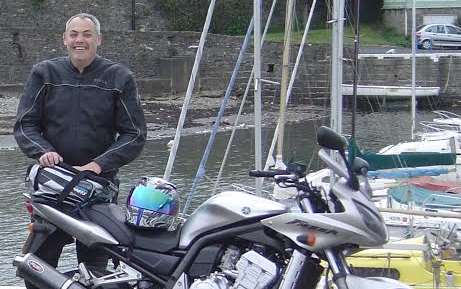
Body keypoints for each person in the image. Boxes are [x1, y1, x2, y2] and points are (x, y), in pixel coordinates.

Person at [14, 13, 147, 287]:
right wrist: (43, 151)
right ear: (64, 39)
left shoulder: (119, 77)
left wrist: (98, 164)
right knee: (37, 267)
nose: (80, 40)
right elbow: (25, 124)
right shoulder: (44, 73)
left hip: (98, 189)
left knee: (97, 271)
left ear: (98, 40)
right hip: (52, 188)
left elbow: (135, 134)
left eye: (87, 34)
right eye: (74, 34)